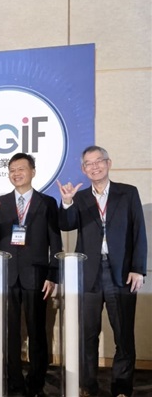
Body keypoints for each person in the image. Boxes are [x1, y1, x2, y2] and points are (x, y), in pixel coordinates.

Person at [57, 146, 147, 397]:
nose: (94, 166)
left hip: (122, 273)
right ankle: (88, 385)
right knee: (87, 334)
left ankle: (121, 388)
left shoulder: (127, 193)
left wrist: (138, 269)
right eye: (89, 163)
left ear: (109, 163)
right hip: (88, 274)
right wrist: (67, 202)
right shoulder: (79, 197)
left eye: (99, 161)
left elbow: (139, 231)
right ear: (83, 169)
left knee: (123, 335)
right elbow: (66, 224)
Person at [0, 153, 61, 397]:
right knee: (10, 330)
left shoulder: (47, 202)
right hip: (6, 274)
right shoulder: (0, 202)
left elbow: (55, 241)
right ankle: (14, 379)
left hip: (36, 274)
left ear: (33, 171)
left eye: (21, 169)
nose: (16, 173)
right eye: (12, 170)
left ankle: (36, 381)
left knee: (37, 330)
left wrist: (53, 274)